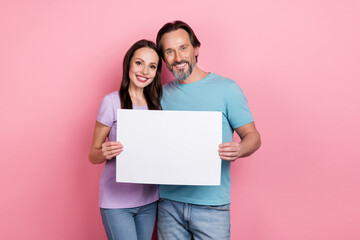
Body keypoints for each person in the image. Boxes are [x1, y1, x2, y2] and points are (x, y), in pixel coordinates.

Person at [156, 21, 261, 239]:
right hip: (168, 204)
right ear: (163, 58)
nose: (178, 57)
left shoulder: (227, 89)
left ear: (196, 48)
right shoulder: (159, 95)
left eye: (183, 48)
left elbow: (253, 137)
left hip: (211, 206)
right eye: (169, 51)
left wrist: (239, 150)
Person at [88, 39, 162, 240]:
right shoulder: (111, 102)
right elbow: (93, 155)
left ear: (156, 73)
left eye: (152, 66)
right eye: (139, 63)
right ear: (128, 63)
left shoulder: (158, 106)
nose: (145, 70)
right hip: (116, 202)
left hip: (149, 200)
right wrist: (104, 152)